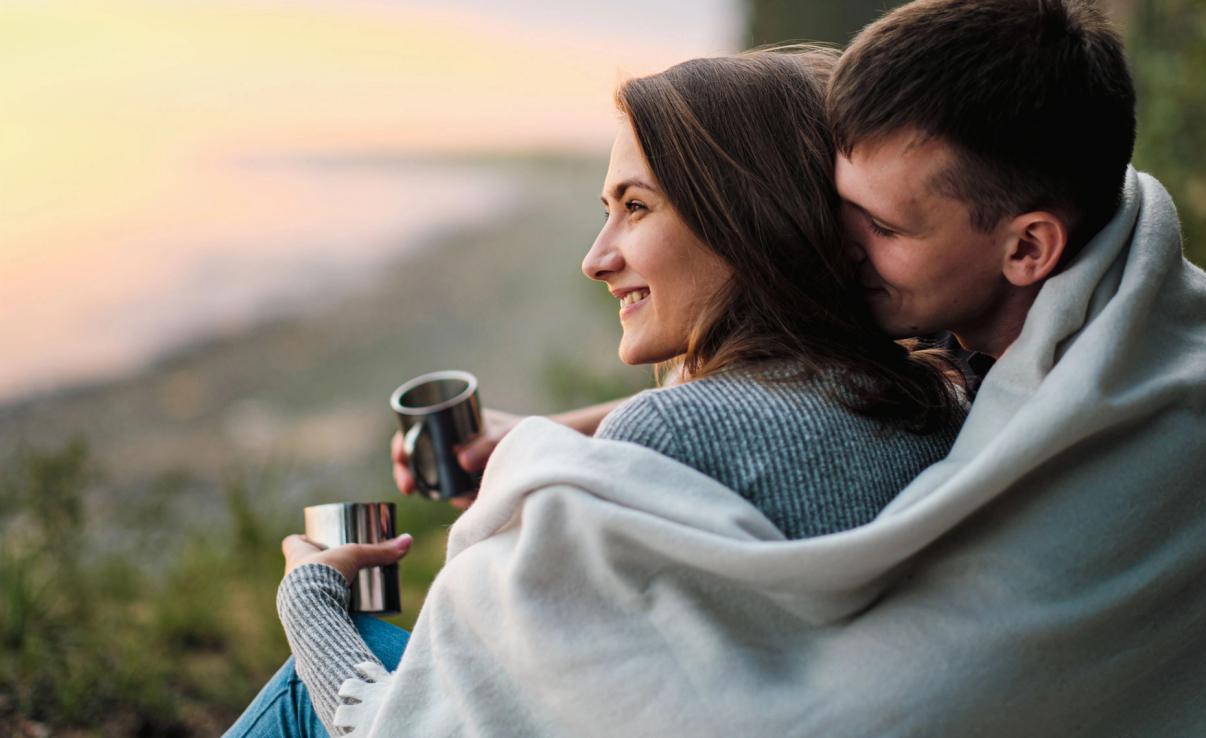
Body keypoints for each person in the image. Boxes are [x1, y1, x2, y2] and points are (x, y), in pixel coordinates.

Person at [391, 0, 1206, 734]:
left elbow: (881, 707)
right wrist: (558, 432)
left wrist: (315, 596)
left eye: (885, 230)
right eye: (835, 206)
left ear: (1028, 249)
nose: (836, 248)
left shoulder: (1181, 425)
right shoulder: (1040, 317)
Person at [226, 47, 967, 737]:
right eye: (603, 210)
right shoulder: (920, 393)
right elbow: (753, 426)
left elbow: (406, 725)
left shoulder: (668, 443)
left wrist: (312, 599)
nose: (595, 258)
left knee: (307, 687)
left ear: (746, 220)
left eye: (636, 207)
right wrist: (543, 436)